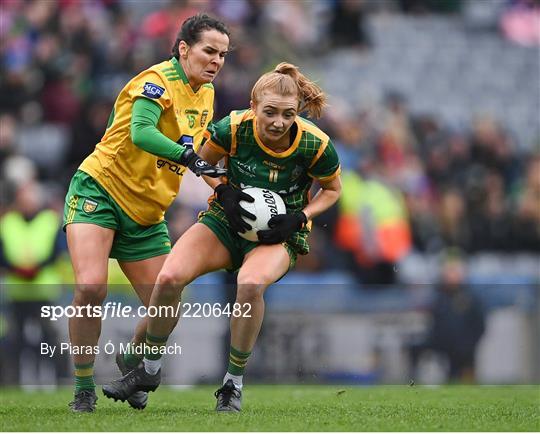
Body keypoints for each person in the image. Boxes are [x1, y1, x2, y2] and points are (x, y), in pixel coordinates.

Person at [102, 62, 342, 412]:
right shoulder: (232, 127)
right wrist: (224, 191)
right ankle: (149, 370)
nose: (278, 122)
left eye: (288, 114)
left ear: (298, 112)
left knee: (249, 284)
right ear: (253, 106)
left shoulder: (314, 143)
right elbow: (204, 162)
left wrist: (300, 217)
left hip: (277, 236)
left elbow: (332, 190)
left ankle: (232, 384)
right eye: (270, 112)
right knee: (169, 278)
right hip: (224, 221)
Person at [62, 14, 230, 413]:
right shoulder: (154, 81)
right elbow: (141, 133)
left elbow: (203, 157)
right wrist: (188, 156)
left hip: (147, 211)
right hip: (99, 191)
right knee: (90, 288)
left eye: (222, 54)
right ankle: (84, 388)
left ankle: (132, 363)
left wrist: (223, 188)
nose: (216, 61)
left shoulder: (206, 94)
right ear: (184, 48)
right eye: (209, 51)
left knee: (166, 305)